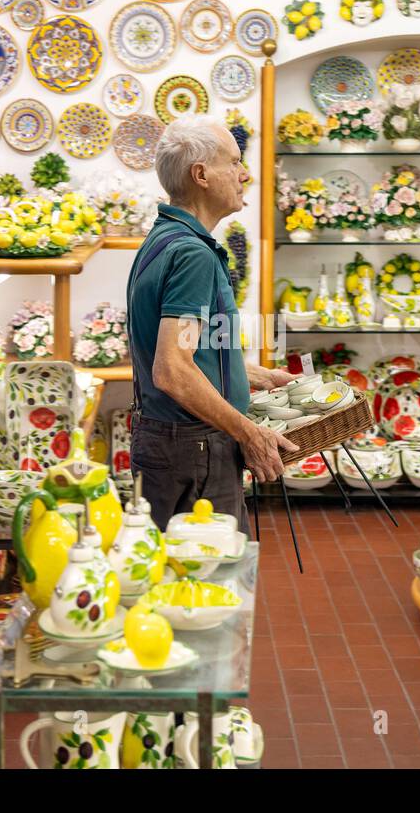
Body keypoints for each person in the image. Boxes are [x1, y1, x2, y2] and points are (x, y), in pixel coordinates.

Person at [127, 115, 297, 534]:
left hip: (173, 444)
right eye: (235, 162)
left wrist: (253, 375)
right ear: (201, 174)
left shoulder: (165, 239)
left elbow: (182, 353)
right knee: (208, 583)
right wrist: (249, 433)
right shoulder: (193, 255)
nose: (245, 174)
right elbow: (172, 368)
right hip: (193, 450)